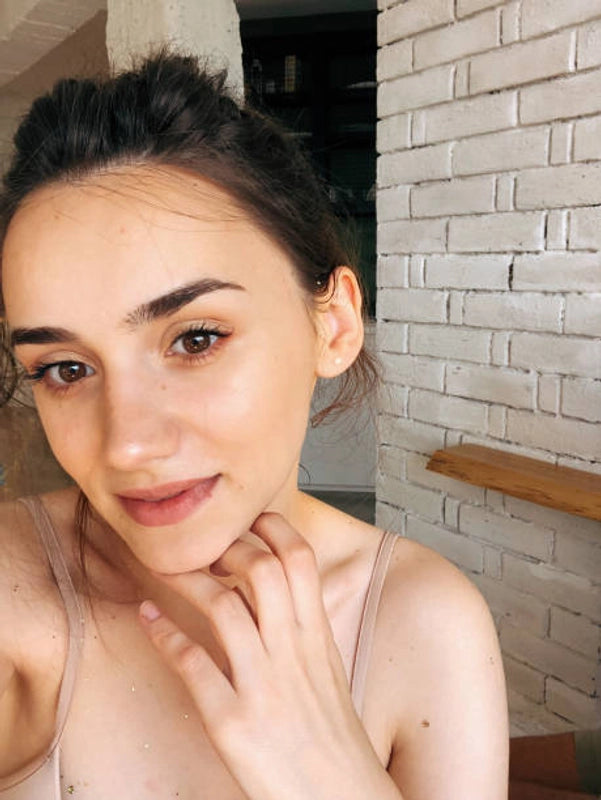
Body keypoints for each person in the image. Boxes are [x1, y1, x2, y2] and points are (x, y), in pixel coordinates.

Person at [0, 52, 508, 799]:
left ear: (333, 325)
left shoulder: (424, 623)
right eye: (66, 369)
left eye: (196, 339)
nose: (128, 444)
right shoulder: (14, 587)